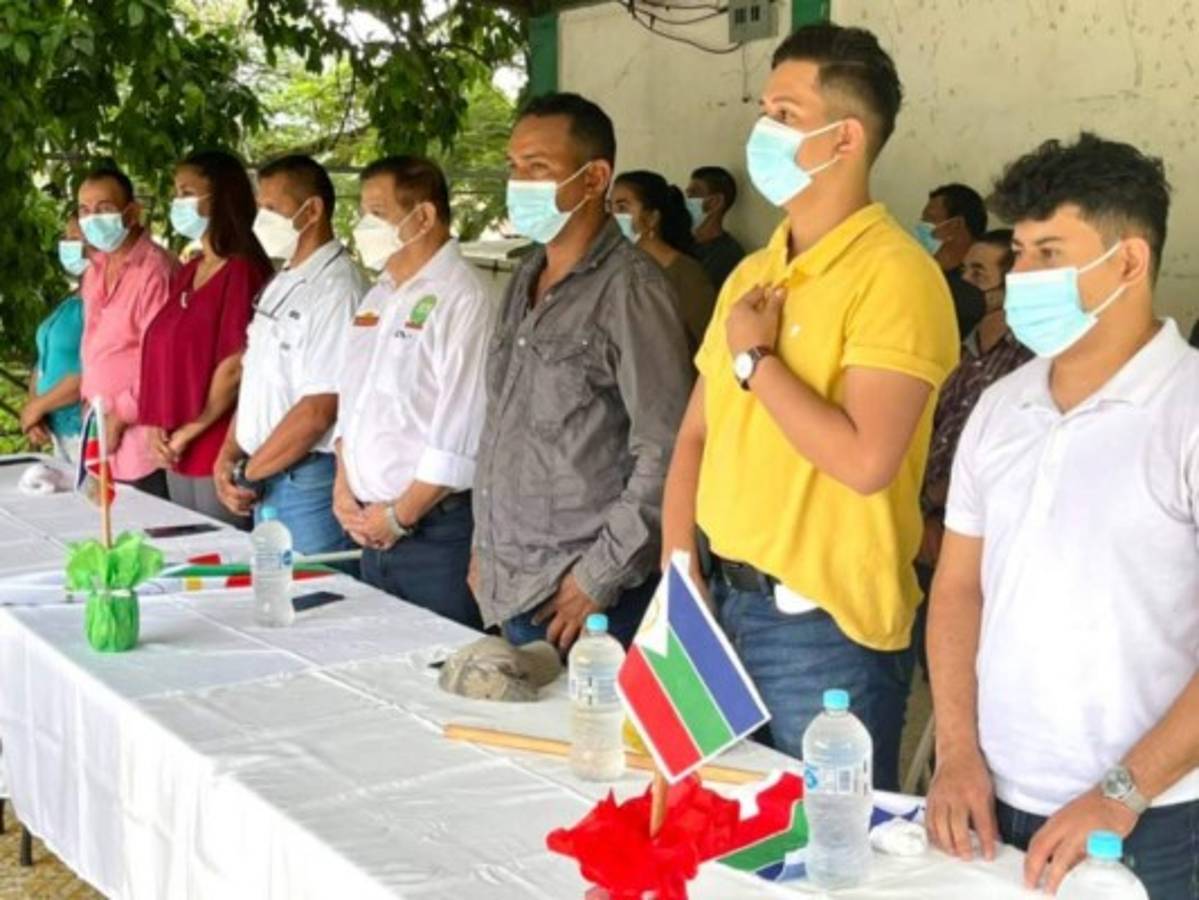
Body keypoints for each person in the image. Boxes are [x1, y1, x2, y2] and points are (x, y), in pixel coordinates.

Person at [661, 23, 958, 790]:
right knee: (711, 841)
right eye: (763, 109)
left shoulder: (894, 276)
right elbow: (693, 436)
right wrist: (679, 571)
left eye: (784, 114)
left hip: (820, 633)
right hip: (714, 605)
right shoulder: (754, 273)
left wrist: (756, 360)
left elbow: (864, 461)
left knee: (815, 858)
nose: (762, 130)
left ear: (844, 137)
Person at [926, 134, 1199, 898]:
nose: (1021, 276)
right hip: (990, 797)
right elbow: (957, 590)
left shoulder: (1186, 409)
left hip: (1153, 817)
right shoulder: (999, 405)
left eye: (1049, 251)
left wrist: (1120, 791)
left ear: (1128, 262)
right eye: (1017, 252)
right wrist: (955, 753)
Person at [470, 92, 693, 650]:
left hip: (585, 600)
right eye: (514, 167)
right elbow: (502, 423)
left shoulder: (631, 291)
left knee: (588, 738)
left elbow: (665, 449)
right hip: (507, 582)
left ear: (594, 179)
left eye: (538, 168)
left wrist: (598, 576)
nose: (519, 182)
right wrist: (484, 547)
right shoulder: (525, 277)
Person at [333, 156, 491, 628]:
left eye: (376, 213)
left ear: (422, 217)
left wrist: (399, 516)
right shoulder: (378, 293)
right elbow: (353, 404)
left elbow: (459, 432)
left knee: (436, 673)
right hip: (367, 527)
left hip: (432, 533)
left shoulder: (464, 296)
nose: (363, 227)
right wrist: (344, 486)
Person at [214, 154, 367, 554]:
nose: (260, 220)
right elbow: (258, 377)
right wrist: (229, 453)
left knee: (312, 601)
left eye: (271, 209)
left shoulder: (337, 288)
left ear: (312, 210)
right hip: (266, 473)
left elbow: (321, 406)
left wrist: (250, 470)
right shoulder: (282, 279)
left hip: (306, 481)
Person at [137, 150, 272, 523]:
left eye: (187, 192)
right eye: (176, 193)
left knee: (221, 559)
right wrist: (158, 427)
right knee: (187, 555)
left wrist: (189, 431)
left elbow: (234, 367)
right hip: (176, 444)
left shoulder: (242, 270)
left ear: (220, 197)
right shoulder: (190, 269)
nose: (177, 202)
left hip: (215, 443)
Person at [915, 228, 1031, 592]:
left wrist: (932, 503)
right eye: (964, 271)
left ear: (1011, 287)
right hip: (917, 525)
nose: (964, 282)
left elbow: (1009, 458)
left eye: (978, 274)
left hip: (973, 535)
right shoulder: (952, 346)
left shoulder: (1030, 360)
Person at [77, 164, 178, 497]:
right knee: (106, 536)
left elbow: (161, 359)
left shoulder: (155, 269)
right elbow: (95, 347)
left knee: (146, 540)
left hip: (139, 439)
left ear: (132, 212)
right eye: (84, 211)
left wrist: (120, 416)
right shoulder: (95, 269)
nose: (92, 219)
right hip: (101, 433)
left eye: (104, 209)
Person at [611, 170, 716, 351]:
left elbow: (709, 346)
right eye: (609, 208)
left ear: (652, 218)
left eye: (622, 208)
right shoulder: (618, 268)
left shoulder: (687, 275)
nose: (612, 217)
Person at [22, 213, 88, 464]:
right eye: (66, 238)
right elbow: (44, 361)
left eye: (76, 238)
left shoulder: (100, 303)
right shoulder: (72, 299)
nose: (69, 244)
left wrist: (37, 408)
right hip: (57, 433)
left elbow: (93, 371)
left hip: (84, 431)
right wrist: (34, 409)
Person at [917, 183, 988, 340]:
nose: (920, 226)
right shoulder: (924, 273)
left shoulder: (980, 284)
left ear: (955, 225)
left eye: (929, 219)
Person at [686, 166, 746, 290]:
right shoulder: (681, 242)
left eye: (693, 195)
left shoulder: (728, 256)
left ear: (715, 202)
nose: (686, 202)